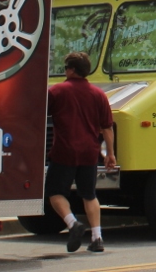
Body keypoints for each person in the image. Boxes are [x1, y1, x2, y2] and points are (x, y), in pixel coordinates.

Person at [47, 52, 116, 253]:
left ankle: (73, 223)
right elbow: (107, 127)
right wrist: (110, 154)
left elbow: (38, 115)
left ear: (71, 69)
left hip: (64, 152)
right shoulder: (98, 94)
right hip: (89, 153)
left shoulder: (57, 91)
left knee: (55, 193)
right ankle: (97, 238)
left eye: (65, 68)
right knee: (89, 195)